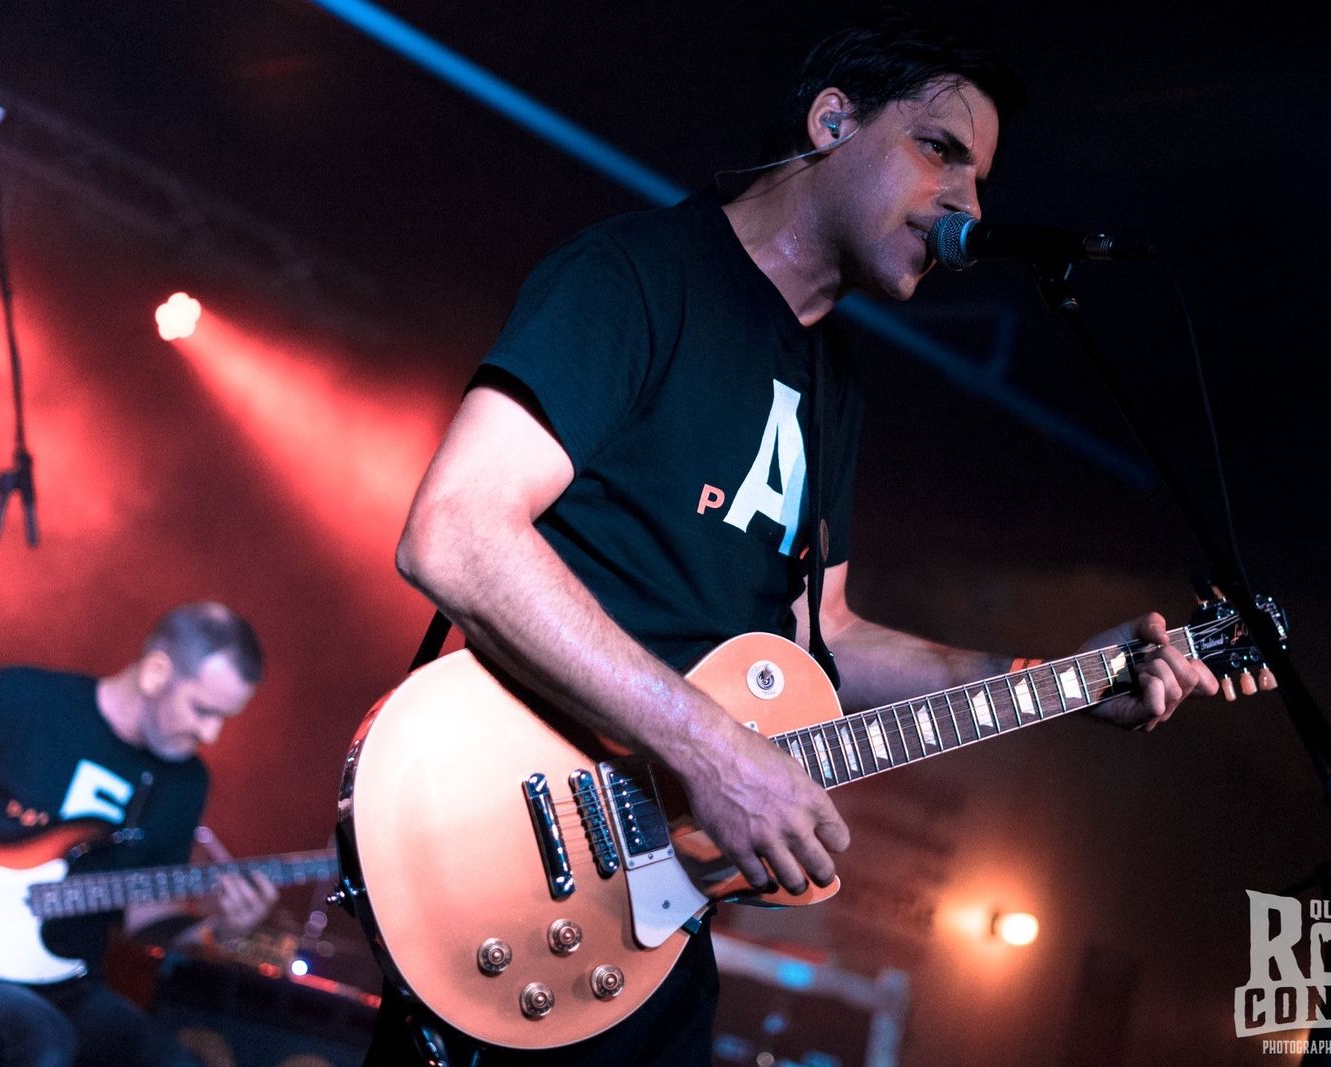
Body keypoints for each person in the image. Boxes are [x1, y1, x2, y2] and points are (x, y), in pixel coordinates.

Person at [372, 11, 1217, 1065]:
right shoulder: (640, 275)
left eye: (983, 179)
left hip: (646, 924)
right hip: (513, 853)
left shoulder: (832, 381)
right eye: (940, 149)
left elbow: (829, 636)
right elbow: (453, 532)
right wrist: (709, 748)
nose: (969, 203)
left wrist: (1055, 679)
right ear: (831, 123)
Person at [0, 601, 279, 1067]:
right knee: (41, 1045)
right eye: (202, 710)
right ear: (156, 673)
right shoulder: (25, 697)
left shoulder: (187, 783)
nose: (210, 734)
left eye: (223, 718)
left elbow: (146, 916)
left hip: (65, 978)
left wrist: (221, 928)